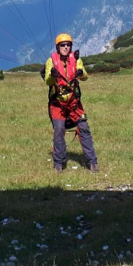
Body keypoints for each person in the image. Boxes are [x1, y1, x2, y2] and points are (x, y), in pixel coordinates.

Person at [44, 33, 98, 173]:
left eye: (68, 45)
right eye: (63, 45)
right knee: (59, 129)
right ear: (58, 47)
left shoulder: (76, 59)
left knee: (84, 127)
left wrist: (81, 73)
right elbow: (47, 81)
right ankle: (59, 163)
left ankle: (92, 162)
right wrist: (52, 75)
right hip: (58, 103)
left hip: (74, 102)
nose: (66, 47)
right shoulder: (51, 61)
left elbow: (85, 76)